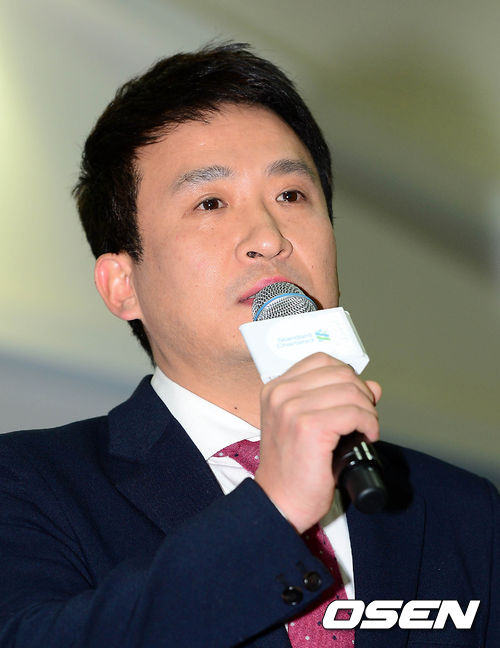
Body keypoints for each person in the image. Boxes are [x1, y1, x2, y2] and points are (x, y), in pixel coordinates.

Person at [0, 42, 497, 648]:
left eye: (291, 196)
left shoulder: (462, 511)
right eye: (210, 203)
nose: (269, 237)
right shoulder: (29, 484)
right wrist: (274, 507)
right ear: (122, 284)